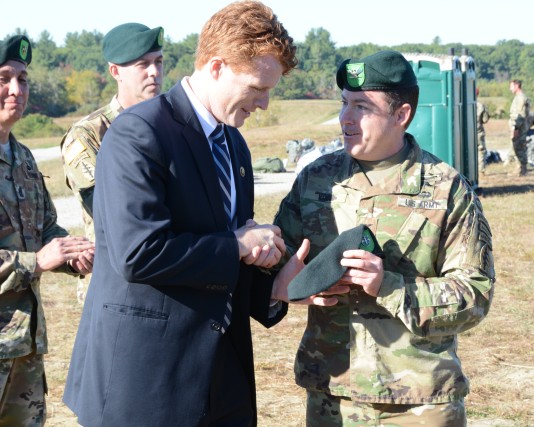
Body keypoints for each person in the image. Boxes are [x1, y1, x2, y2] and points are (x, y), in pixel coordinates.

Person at [63, 2, 340, 426]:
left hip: (220, 384)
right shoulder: (139, 132)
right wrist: (238, 243)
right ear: (216, 66)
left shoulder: (235, 146)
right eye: (257, 88)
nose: (264, 104)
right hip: (145, 387)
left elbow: (220, 264)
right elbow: (137, 253)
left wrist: (273, 290)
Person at [273, 50, 496, 426]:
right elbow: (280, 262)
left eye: (361, 106)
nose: (346, 118)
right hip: (333, 398)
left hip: (420, 402)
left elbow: (474, 295)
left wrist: (388, 285)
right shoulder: (317, 180)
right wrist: (289, 281)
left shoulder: (446, 190)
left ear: (401, 115)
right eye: (344, 103)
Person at [0, 35, 94, 425]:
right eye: (5, 77)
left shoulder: (21, 156)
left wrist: (77, 253)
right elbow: (39, 254)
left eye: (23, 79)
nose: (16, 90)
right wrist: (36, 262)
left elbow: (45, 227)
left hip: (23, 346)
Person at [60, 22, 164, 304]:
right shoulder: (89, 134)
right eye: (143, 64)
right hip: (116, 284)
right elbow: (109, 208)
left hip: (167, 276)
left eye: (158, 62)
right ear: (116, 72)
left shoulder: (172, 125)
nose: (154, 72)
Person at [508, 79, 530, 176]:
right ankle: (520, 168)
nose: (510, 89)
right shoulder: (518, 97)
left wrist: (516, 128)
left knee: (519, 147)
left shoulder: (521, 98)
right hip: (518, 127)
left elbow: (520, 114)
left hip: (519, 128)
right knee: (518, 147)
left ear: (517, 86)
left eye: (511, 86)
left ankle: (522, 169)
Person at [476, 87, 490, 173]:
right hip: (478, 131)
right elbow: (485, 120)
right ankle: (481, 169)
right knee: (481, 150)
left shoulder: (465, 104)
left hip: (467, 132)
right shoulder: (480, 106)